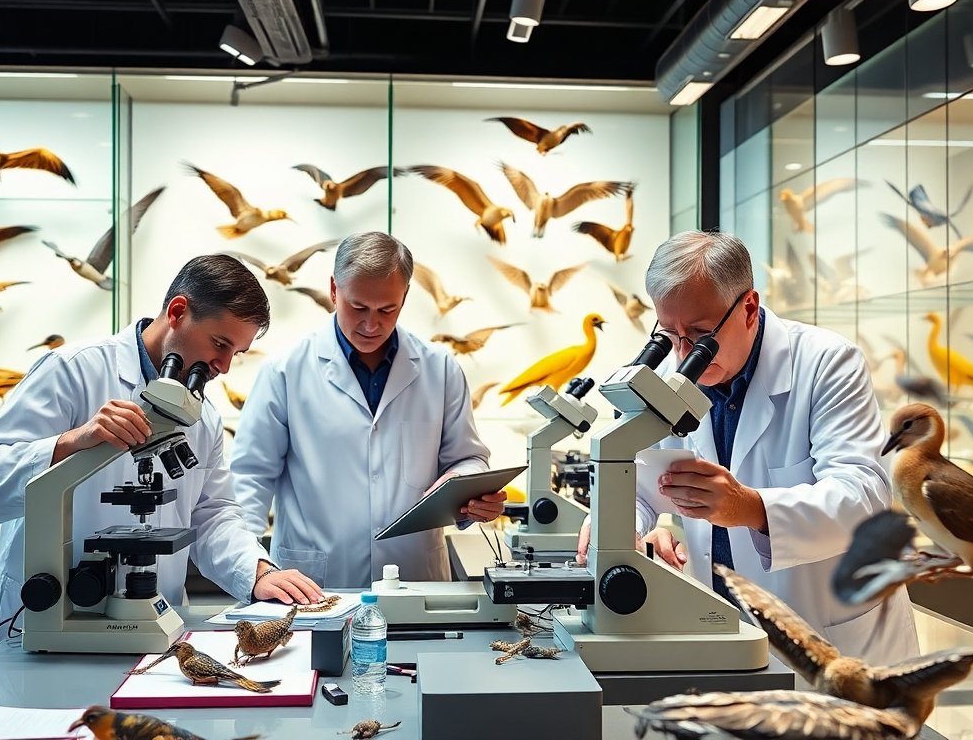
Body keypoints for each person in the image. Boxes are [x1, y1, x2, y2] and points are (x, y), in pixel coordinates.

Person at [577, 231, 918, 665]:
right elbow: (639, 484)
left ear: (750, 308)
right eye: (670, 335)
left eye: (699, 335)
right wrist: (623, 526)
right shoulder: (668, 373)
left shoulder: (828, 363)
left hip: (832, 638)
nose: (683, 354)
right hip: (721, 627)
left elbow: (864, 497)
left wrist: (751, 507)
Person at [0, 255, 323, 654]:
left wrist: (256, 571)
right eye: (220, 344)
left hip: (155, 630)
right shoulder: (74, 370)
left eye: (237, 353)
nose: (223, 367)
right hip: (47, 624)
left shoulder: (203, 416)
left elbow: (213, 513)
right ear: (178, 312)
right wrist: (73, 442)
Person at [231, 231, 501, 587]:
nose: (371, 324)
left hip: (414, 578)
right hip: (313, 583)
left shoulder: (441, 369)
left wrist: (466, 487)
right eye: (358, 307)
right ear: (333, 291)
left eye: (386, 310)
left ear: (404, 298)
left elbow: (467, 458)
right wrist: (249, 568)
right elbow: (250, 478)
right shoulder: (285, 371)